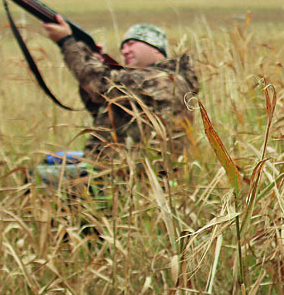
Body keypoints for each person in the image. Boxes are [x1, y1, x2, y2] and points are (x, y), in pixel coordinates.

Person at [33, 17, 200, 189]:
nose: (125, 51)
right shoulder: (159, 80)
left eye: (132, 43)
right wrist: (93, 60)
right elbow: (100, 105)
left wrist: (67, 42)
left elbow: (100, 84)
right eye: (122, 47)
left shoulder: (162, 79)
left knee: (38, 177)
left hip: (130, 179)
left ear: (156, 49)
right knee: (53, 160)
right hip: (126, 169)